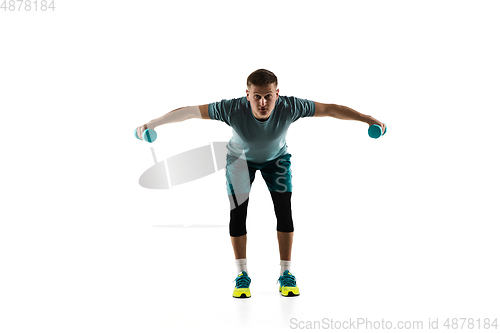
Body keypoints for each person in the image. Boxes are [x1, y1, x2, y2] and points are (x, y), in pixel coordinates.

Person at [136, 69, 385, 298]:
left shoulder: (291, 106)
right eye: (257, 96)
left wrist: (367, 119)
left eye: (268, 96)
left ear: (277, 94)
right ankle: (241, 275)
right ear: (247, 95)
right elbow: (189, 111)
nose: (263, 103)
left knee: (284, 212)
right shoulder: (231, 109)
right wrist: (152, 124)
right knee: (238, 213)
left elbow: (330, 109)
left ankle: (285, 274)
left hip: (276, 161)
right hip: (239, 162)